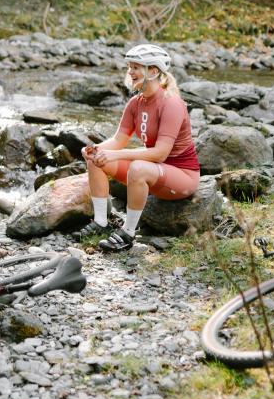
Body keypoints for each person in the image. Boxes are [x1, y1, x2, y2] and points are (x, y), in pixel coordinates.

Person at [78, 44, 201, 252]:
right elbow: (118, 140)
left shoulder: (171, 103)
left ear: (153, 71)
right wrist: (96, 149)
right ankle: (101, 222)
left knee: (138, 167)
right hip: (154, 172)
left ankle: (128, 233)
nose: (130, 72)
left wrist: (115, 155)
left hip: (182, 176)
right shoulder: (135, 103)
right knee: (95, 159)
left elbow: (160, 153)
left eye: (136, 67)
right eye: (130, 67)